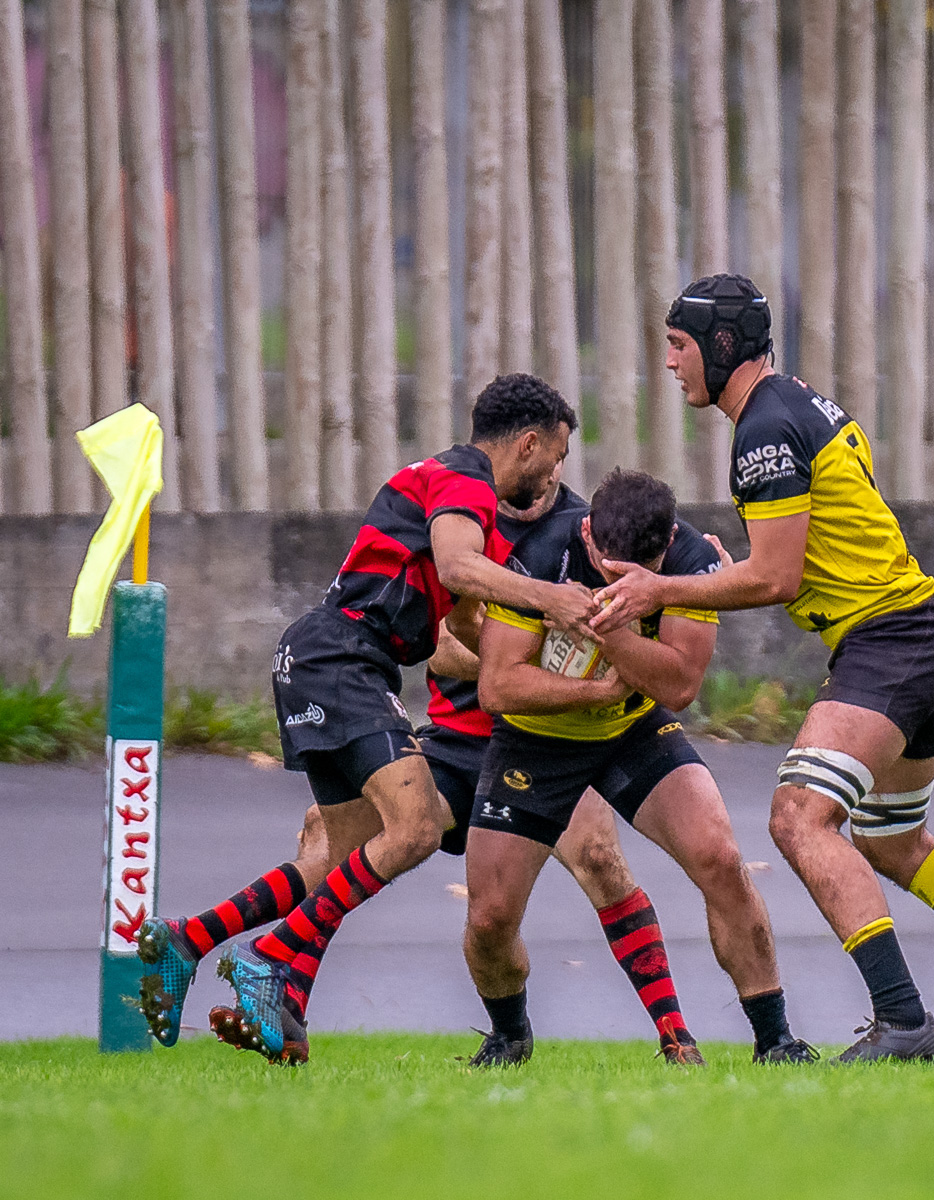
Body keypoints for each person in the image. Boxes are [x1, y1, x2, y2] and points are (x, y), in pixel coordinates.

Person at [593, 273, 934, 1061]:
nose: (669, 361)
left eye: (679, 344)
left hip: (889, 638)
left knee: (799, 818)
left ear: (722, 347)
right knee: (893, 842)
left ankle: (904, 1023)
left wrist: (662, 586)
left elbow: (775, 577)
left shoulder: (763, 430)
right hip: (915, 629)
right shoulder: (794, 402)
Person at [136, 374, 595, 1065]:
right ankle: (270, 956)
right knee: (414, 830)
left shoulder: (467, 508)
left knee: (343, 858)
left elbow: (467, 628)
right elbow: (458, 568)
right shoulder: (464, 480)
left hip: (325, 659)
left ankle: (194, 944)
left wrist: (537, 667)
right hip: (344, 658)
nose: (557, 473)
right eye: (555, 456)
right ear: (527, 444)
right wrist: (551, 602)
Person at [468, 468, 812, 1065]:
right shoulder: (539, 557)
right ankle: (509, 1036)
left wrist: (601, 625)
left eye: (637, 575)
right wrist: (594, 692)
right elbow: (498, 685)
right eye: (604, 567)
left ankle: (774, 1039)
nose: (616, 580)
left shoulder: (694, 556)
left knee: (719, 857)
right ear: (587, 534)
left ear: (666, 545)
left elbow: (678, 684)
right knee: (491, 915)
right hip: (535, 742)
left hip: (632, 727)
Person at [415, 473, 719, 1066]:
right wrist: (524, 634)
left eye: (561, 466)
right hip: (468, 728)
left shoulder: (594, 534)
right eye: (550, 458)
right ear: (519, 454)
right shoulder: (462, 538)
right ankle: (509, 1033)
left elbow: (662, 649)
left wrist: (694, 595)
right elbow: (442, 647)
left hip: (562, 728)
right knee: (484, 911)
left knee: (601, 861)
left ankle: (675, 1035)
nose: (555, 475)